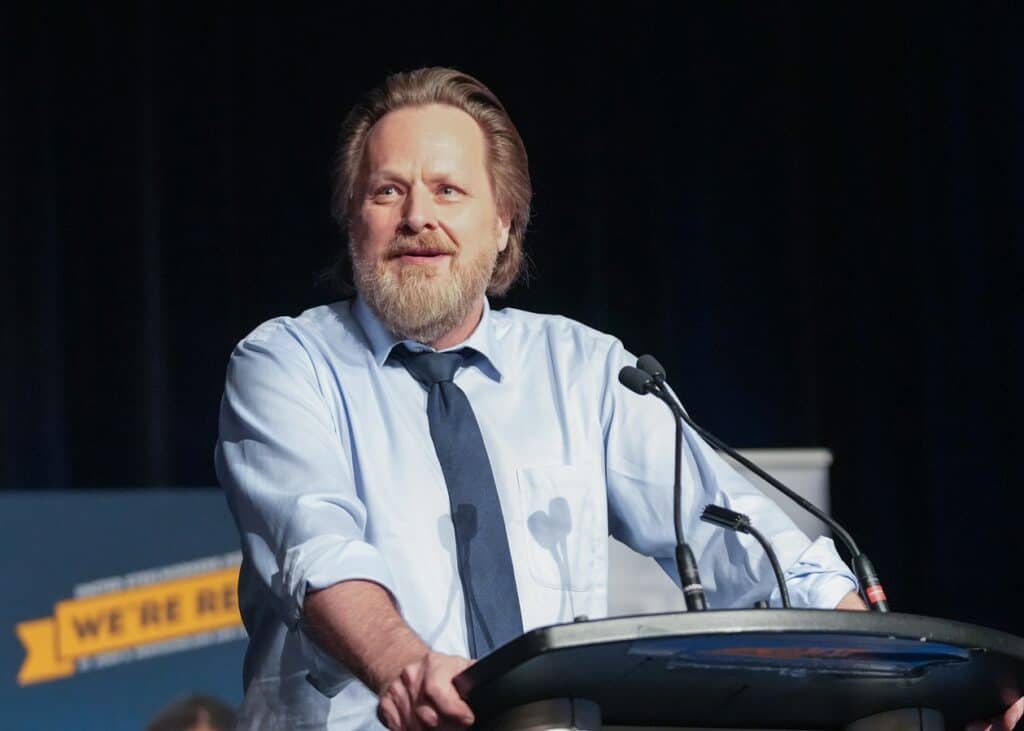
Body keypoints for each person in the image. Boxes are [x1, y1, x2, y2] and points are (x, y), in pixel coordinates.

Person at [215, 68, 1023, 731]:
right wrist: (405, 666)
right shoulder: (284, 363)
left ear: (505, 225)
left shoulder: (587, 369)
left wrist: (909, 678)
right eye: (387, 191)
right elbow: (317, 551)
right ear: (352, 221)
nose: (418, 216)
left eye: (449, 190)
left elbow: (740, 534)